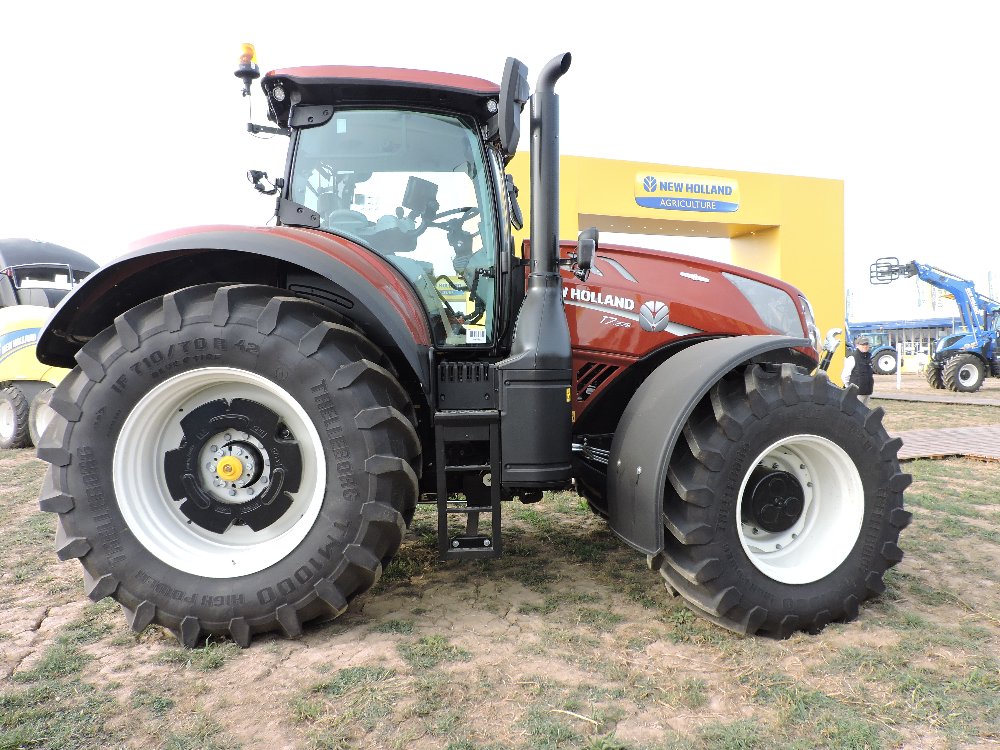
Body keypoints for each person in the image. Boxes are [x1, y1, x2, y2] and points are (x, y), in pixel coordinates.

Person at [842, 335, 875, 405]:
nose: (865, 346)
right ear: (857, 345)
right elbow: (845, 375)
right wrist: (849, 388)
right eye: (862, 344)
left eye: (866, 344)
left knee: (865, 411)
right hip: (856, 393)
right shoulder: (852, 358)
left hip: (867, 392)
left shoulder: (869, 357)